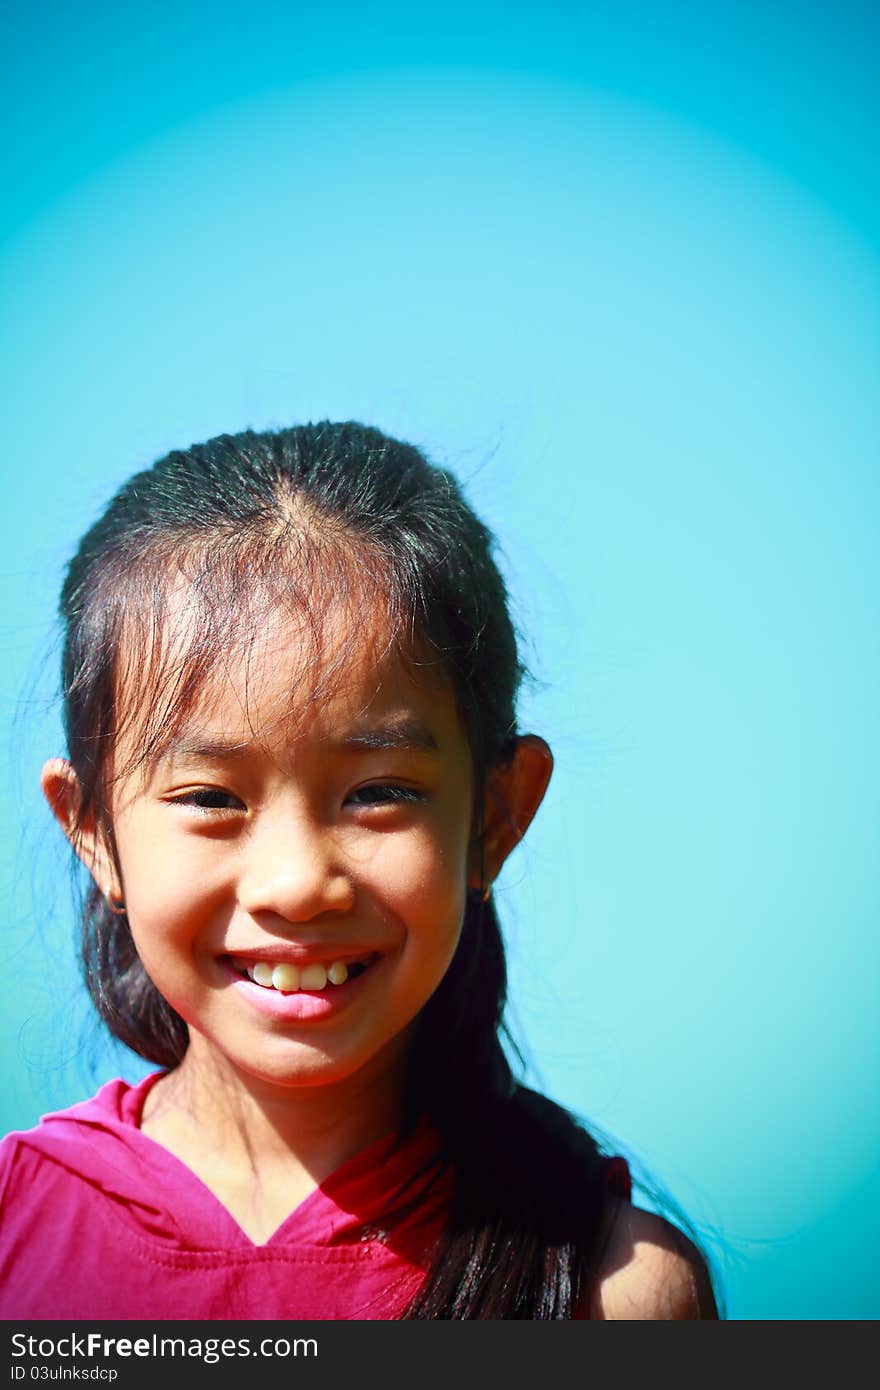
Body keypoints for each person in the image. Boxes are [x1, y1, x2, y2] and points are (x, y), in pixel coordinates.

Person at [0, 422, 718, 1320]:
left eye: (377, 791)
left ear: (497, 818)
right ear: (92, 828)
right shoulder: (15, 1230)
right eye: (211, 798)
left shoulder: (615, 1293)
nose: (298, 883)